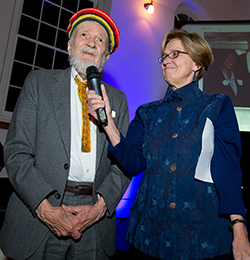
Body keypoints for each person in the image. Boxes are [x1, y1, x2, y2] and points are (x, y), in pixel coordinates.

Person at [88, 29, 250, 260]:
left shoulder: (217, 106)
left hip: (202, 237)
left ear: (196, 63)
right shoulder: (147, 112)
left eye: (175, 54)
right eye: (164, 56)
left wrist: (239, 226)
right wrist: (108, 124)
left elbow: (228, 170)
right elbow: (133, 164)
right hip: (149, 236)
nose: (166, 60)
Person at [0, 8, 130, 260]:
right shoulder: (39, 83)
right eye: (84, 35)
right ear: (70, 47)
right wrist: (45, 208)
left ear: (105, 57)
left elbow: (123, 164)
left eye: (100, 39)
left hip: (94, 220)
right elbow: (16, 151)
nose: (92, 42)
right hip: (38, 213)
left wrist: (99, 208)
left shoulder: (118, 99)